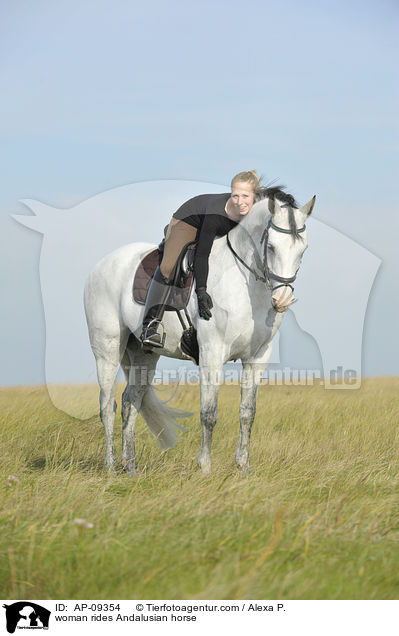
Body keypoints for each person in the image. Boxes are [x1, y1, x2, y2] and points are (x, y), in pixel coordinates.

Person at [140, 170, 262, 347]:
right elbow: (202, 254)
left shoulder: (255, 209)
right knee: (168, 267)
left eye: (245, 196)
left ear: (254, 197)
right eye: (235, 196)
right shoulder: (215, 215)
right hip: (187, 221)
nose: (239, 202)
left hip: (209, 225)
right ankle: (150, 326)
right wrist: (202, 291)